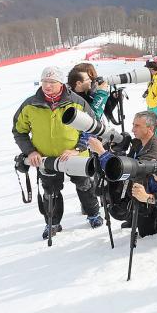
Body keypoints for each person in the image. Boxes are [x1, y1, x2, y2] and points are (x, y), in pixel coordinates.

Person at [12, 65, 103, 240]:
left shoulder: (77, 102)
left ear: (60, 83)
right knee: (50, 192)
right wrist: (30, 152)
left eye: (52, 82)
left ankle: (93, 214)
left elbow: (91, 127)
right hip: (46, 159)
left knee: (85, 186)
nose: (47, 85)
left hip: (76, 156)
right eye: (44, 81)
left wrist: (78, 148)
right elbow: (19, 131)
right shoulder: (30, 105)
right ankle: (52, 223)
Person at [90, 110, 157, 233]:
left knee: (146, 231)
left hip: (148, 204)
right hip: (133, 194)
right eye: (133, 125)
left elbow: (127, 171)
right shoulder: (139, 142)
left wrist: (102, 153)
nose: (133, 129)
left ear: (150, 128)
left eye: (137, 126)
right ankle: (132, 216)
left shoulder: (154, 152)